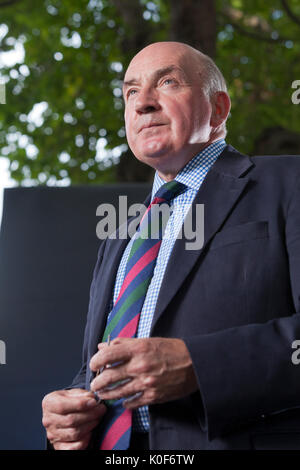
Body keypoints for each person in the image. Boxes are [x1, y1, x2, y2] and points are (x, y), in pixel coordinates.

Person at [42, 41, 300, 450]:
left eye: (167, 82)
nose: (142, 103)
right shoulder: (121, 235)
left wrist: (199, 366)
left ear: (218, 109)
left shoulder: (289, 183)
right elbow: (107, 359)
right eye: (130, 92)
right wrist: (75, 404)